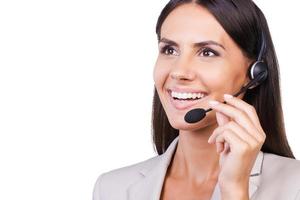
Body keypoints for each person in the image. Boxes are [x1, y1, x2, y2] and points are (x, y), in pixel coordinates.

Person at [93, 0, 300, 199]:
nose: (179, 72)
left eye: (207, 52)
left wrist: (234, 189)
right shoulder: (112, 188)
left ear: (254, 74)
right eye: (169, 50)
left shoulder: (294, 186)